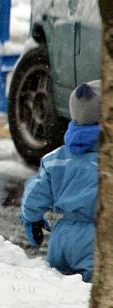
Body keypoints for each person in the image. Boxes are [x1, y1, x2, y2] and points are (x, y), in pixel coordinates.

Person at [20, 79, 100, 283]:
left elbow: (35, 194)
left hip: (62, 237)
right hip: (98, 240)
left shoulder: (55, 159)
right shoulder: (105, 163)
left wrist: (31, 218)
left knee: (58, 290)